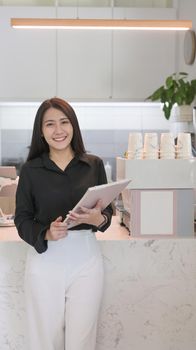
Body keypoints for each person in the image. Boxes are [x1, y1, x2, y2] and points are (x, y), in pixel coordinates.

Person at [14, 97, 113, 350]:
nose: (58, 131)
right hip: (45, 260)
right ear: (41, 131)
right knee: (45, 340)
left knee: (82, 341)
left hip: (86, 260)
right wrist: (46, 232)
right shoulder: (30, 170)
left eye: (64, 122)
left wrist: (97, 219)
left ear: (73, 126)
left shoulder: (93, 164)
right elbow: (22, 219)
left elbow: (108, 213)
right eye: (50, 124)